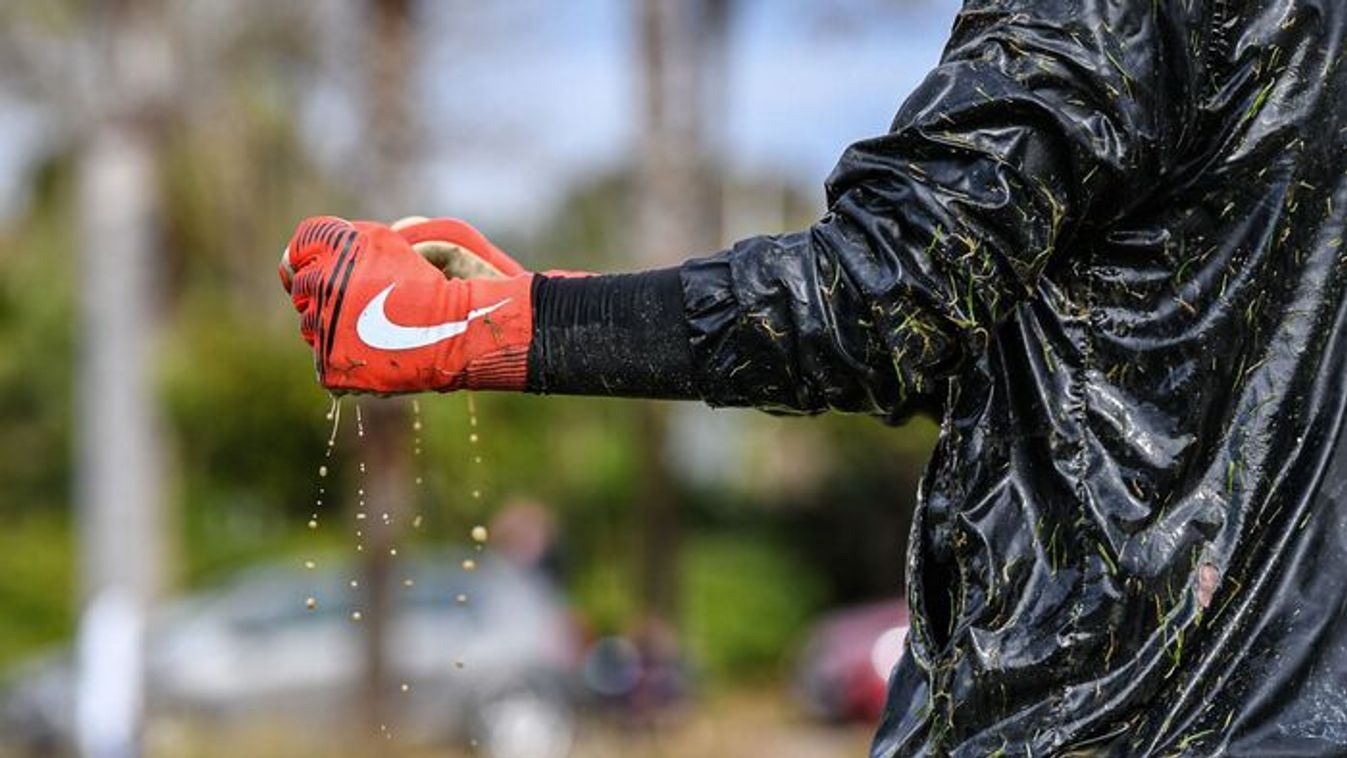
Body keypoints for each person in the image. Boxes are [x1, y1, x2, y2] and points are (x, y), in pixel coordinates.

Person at [278, 2, 1347, 754]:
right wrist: (564, 302)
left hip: (1094, 718)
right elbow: (1064, 368)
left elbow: (888, 303)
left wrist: (477, 329)